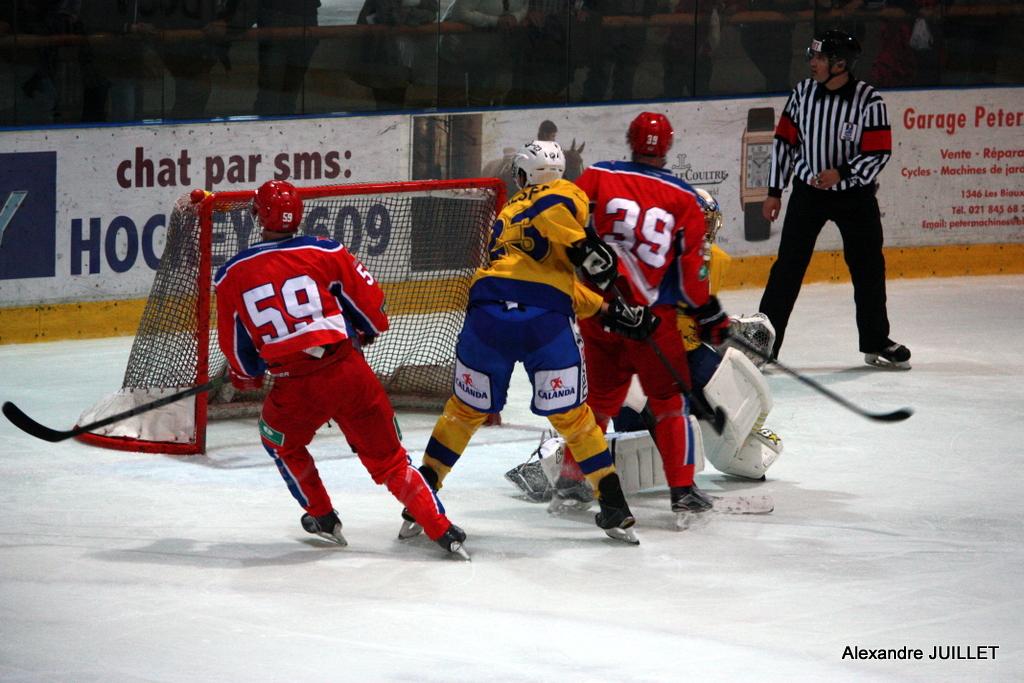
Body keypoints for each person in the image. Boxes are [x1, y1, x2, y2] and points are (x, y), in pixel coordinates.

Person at [401, 140, 659, 545]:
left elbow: (534, 275)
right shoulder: (568, 193)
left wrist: (608, 311)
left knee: (463, 412)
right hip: (545, 320)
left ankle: (421, 498)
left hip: (487, 314)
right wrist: (585, 248)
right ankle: (614, 505)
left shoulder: (506, 213)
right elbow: (556, 259)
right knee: (574, 419)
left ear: (523, 175)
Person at [212, 179, 468, 558]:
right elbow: (372, 310)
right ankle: (443, 530)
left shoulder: (231, 274)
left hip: (295, 388)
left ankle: (322, 516)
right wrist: (364, 330)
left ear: (257, 215)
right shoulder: (328, 251)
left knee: (278, 441)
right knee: (392, 461)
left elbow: (237, 348)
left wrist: (246, 375)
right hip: (349, 372)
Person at [567, 112, 733, 527]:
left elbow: (563, 218)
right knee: (669, 402)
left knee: (599, 402)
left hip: (602, 313)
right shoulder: (683, 198)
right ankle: (683, 491)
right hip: (651, 322)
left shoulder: (598, 176)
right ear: (669, 145)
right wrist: (709, 314)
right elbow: (693, 276)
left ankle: (571, 481)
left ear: (630, 140)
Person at [758, 29, 910, 369]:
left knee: (868, 268)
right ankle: (764, 344)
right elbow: (784, 142)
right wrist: (774, 191)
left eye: (819, 58)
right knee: (787, 269)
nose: (812, 63)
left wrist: (842, 172)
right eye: (812, 57)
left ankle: (875, 341)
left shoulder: (869, 101)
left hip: (854, 198)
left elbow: (879, 151)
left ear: (840, 64)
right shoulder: (802, 94)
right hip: (807, 195)